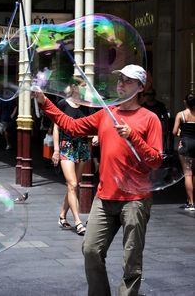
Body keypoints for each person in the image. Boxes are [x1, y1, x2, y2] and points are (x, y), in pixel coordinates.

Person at [34, 64, 163, 296]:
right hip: (104, 197)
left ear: (141, 87)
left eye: (128, 80)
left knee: (131, 259)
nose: (121, 83)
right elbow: (72, 126)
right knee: (91, 249)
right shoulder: (107, 113)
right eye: (120, 79)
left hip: (135, 199)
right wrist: (45, 101)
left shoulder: (150, 119)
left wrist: (132, 136)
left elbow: (155, 160)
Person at [51, 79, 92, 236]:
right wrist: (56, 149)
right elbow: (56, 127)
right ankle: (78, 222)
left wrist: (95, 135)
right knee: (73, 183)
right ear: (74, 87)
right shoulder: (63, 104)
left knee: (74, 185)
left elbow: (90, 125)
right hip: (66, 146)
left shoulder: (87, 105)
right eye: (83, 86)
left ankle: (62, 215)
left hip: (82, 147)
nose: (85, 89)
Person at [172, 92, 195, 211]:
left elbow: (174, 132)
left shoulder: (181, 114)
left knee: (188, 173)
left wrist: (182, 134)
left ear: (185, 102)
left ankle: (191, 203)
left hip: (186, 144)